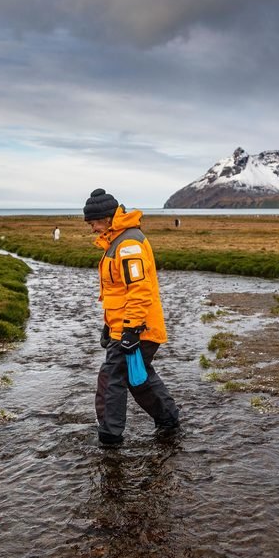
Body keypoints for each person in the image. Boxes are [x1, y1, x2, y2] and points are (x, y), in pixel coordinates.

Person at [83, 188, 180, 446]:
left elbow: (139, 289)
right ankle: (169, 421)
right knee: (138, 377)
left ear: (105, 218)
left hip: (138, 327)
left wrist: (131, 330)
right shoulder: (119, 241)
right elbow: (117, 293)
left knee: (113, 379)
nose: (92, 228)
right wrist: (110, 325)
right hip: (127, 326)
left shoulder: (127, 246)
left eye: (92, 223)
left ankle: (110, 437)